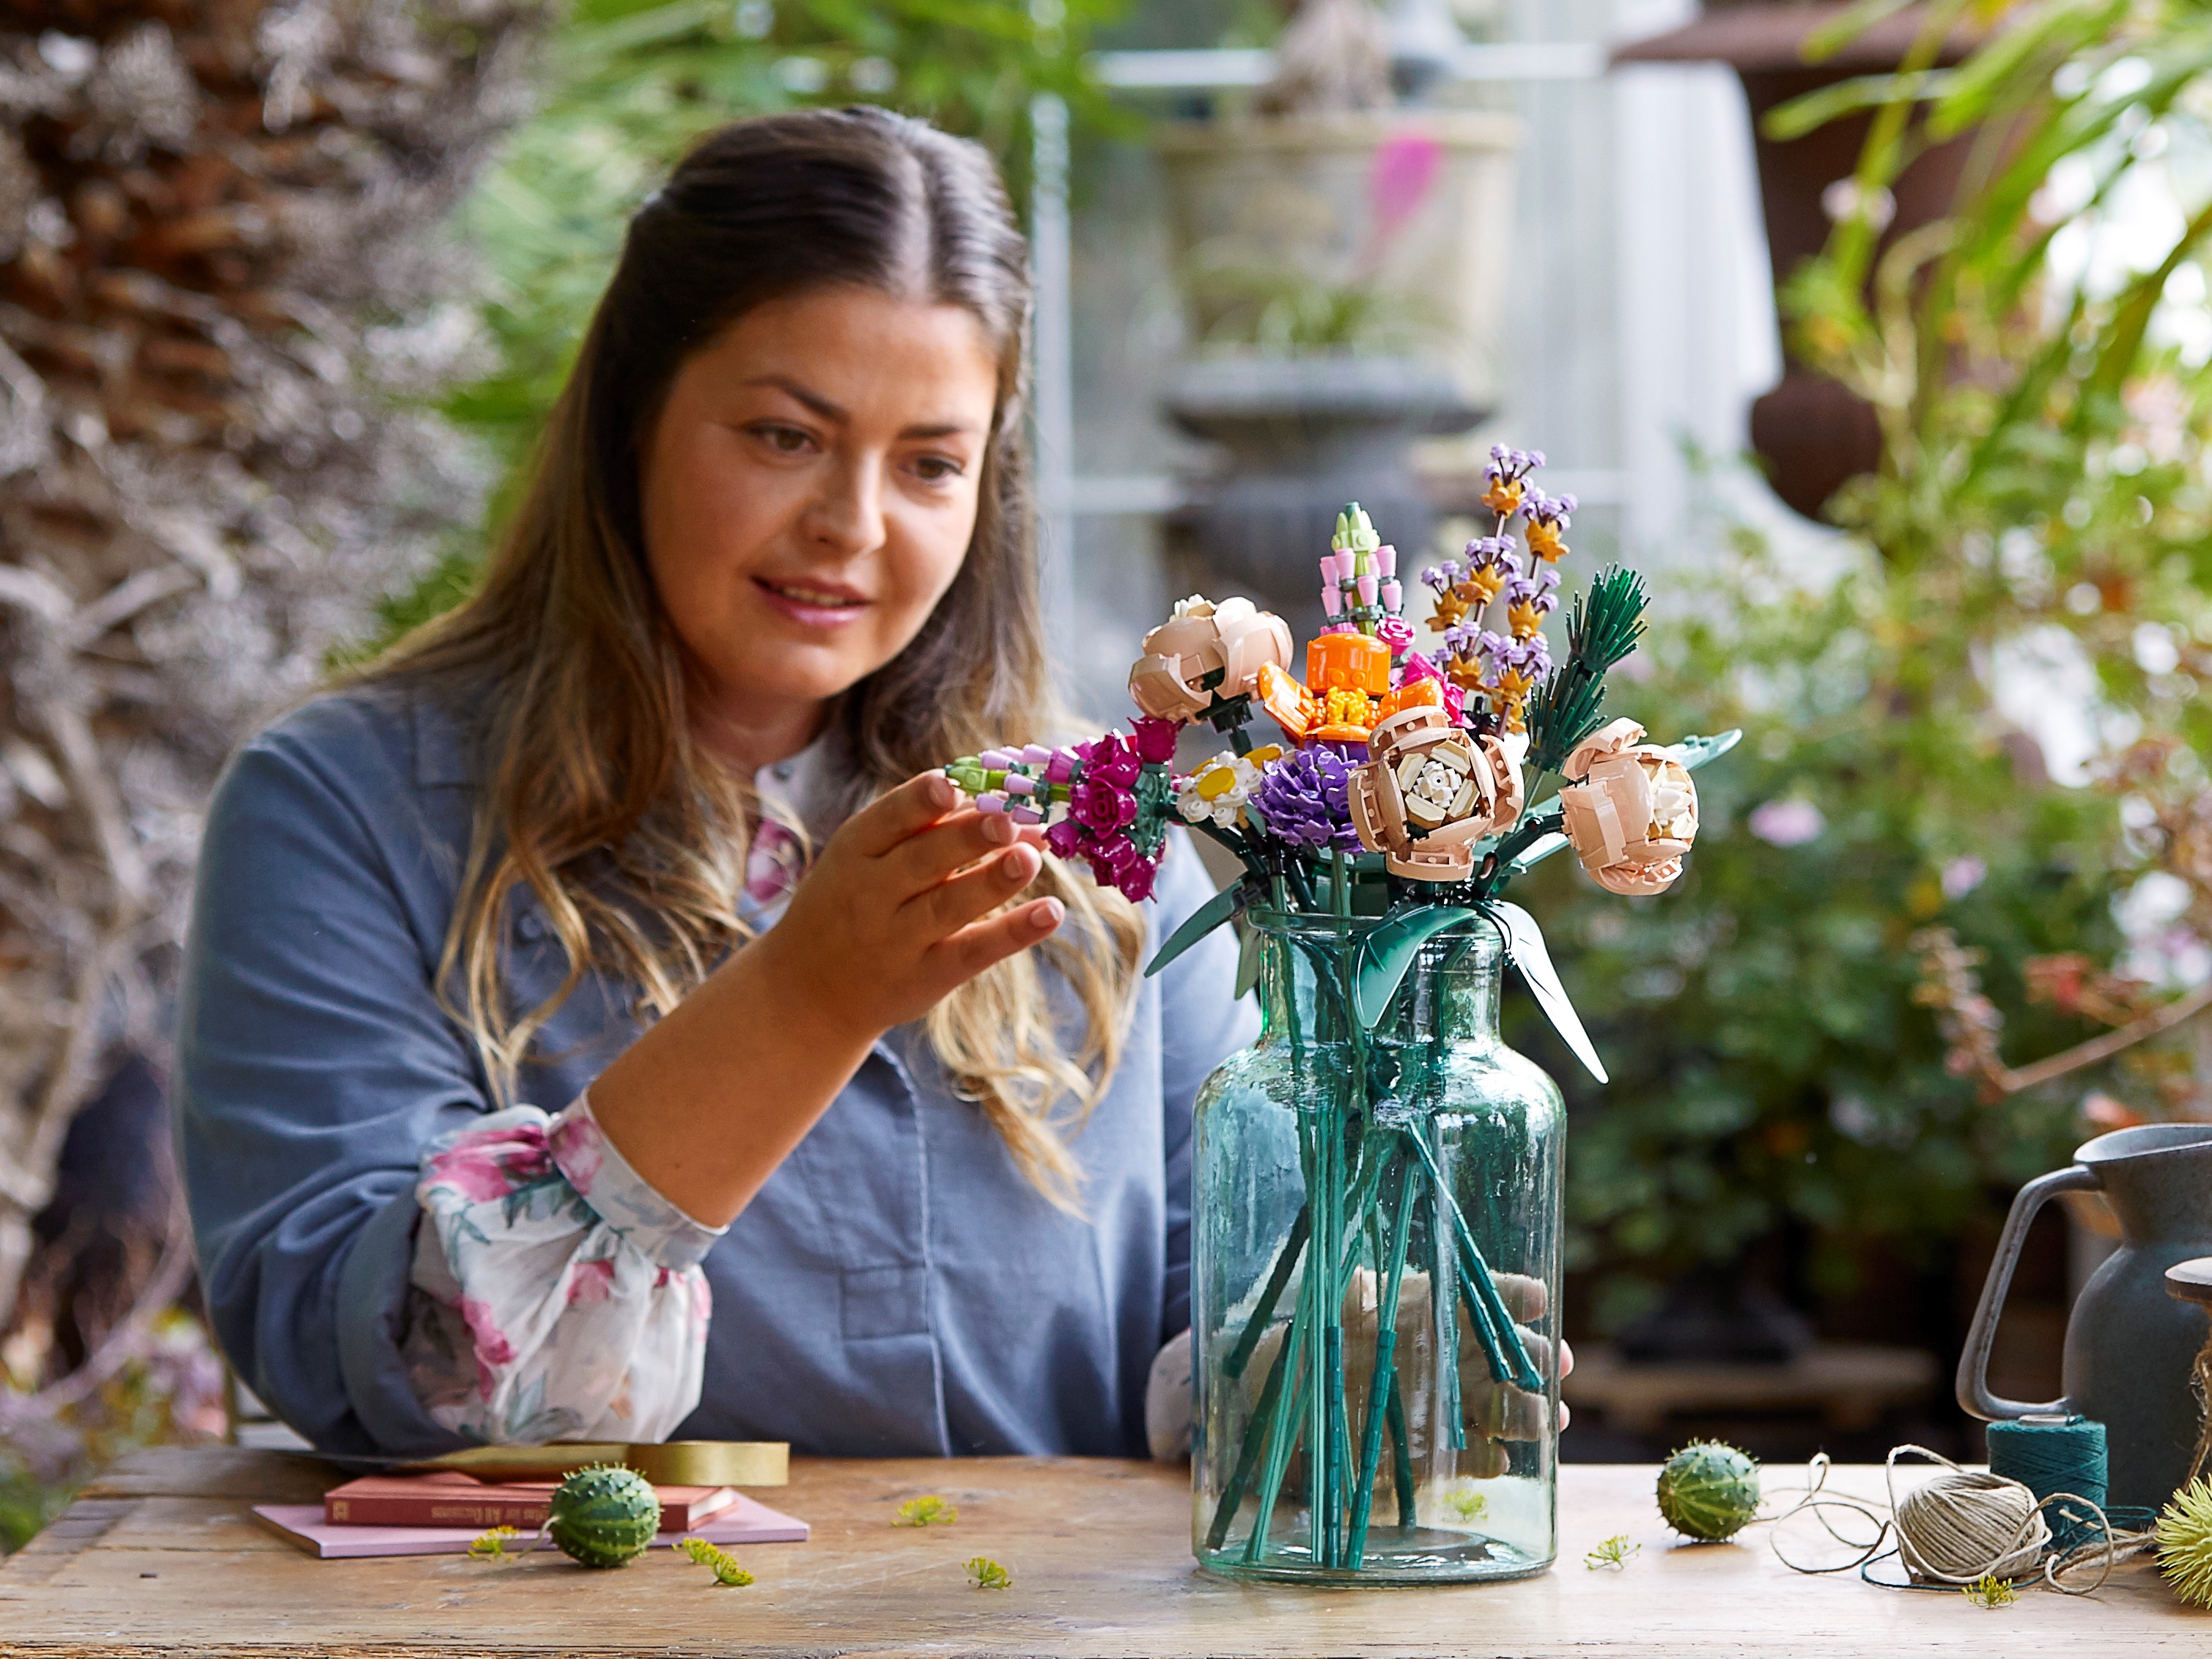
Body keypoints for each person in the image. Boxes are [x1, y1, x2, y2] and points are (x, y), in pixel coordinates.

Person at [174, 106, 1254, 1459]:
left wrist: (1354, 1358)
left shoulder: (1101, 837)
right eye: (783, 436)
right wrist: (807, 1000)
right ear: (634, 419)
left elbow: (1219, 1319)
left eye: (930, 463)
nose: (852, 526)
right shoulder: (340, 810)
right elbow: (380, 1364)